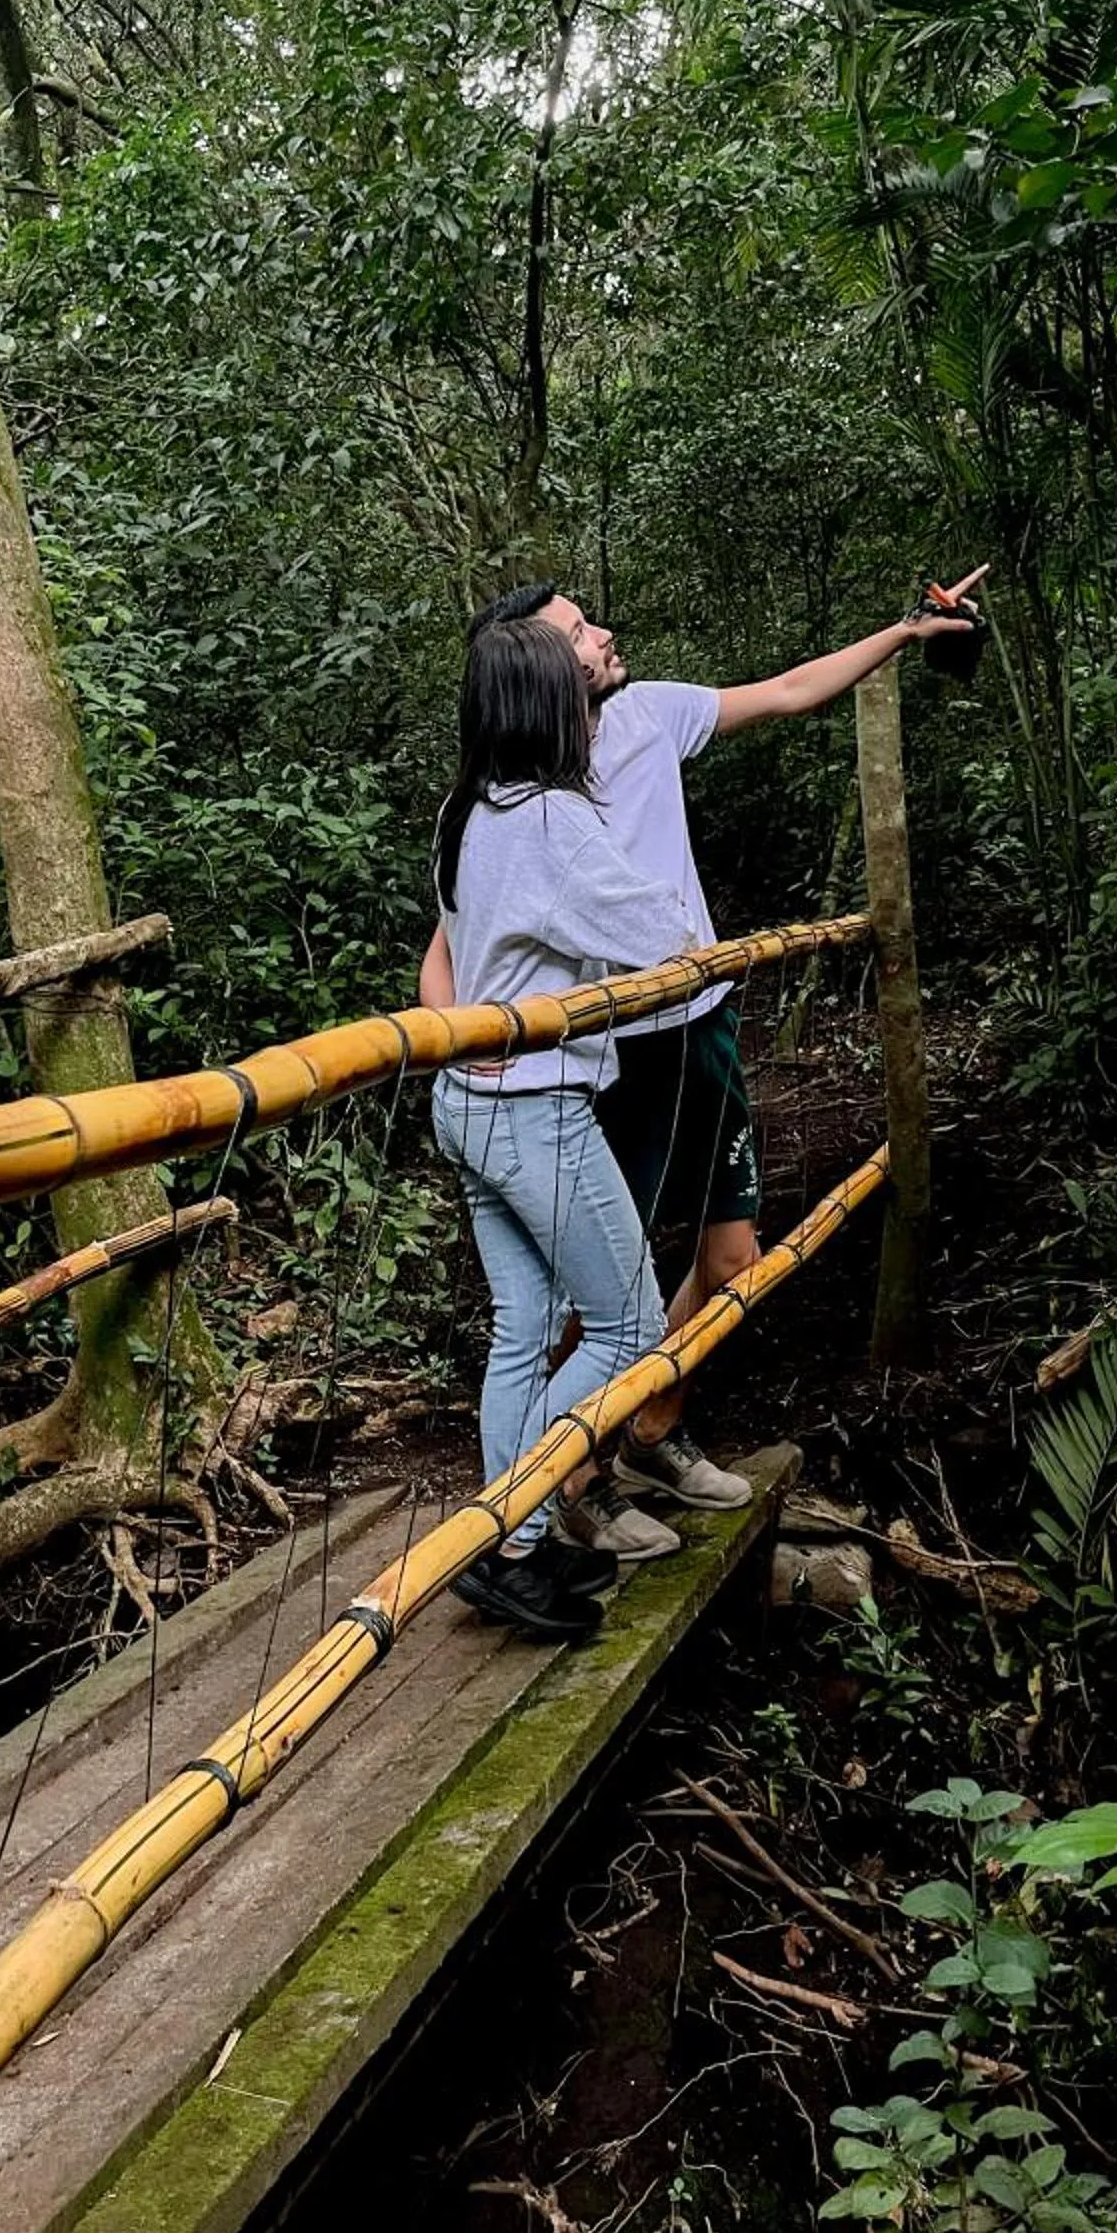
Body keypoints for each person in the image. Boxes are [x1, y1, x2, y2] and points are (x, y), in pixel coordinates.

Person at [421, 581, 982, 1562]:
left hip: (692, 1019)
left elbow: (791, 690)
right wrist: (463, 1032)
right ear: (532, 671)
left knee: (725, 1256)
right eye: (574, 632)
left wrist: (902, 630)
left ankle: (647, 1433)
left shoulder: (641, 720)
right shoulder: (524, 791)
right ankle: (561, 1491)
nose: (600, 636)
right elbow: (460, 933)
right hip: (591, 1053)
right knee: (593, 1295)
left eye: (589, 622)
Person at [429, 613, 707, 1642]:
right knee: (631, 1326)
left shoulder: (466, 813)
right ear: (549, 709)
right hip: (534, 1111)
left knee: (524, 1332)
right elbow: (656, 933)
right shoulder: (549, 821)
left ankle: (511, 1551)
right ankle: (525, 1521)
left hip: (467, 1107)